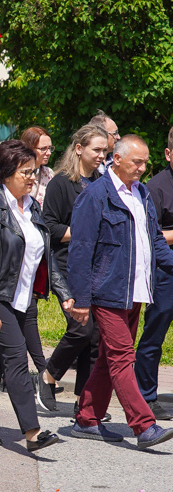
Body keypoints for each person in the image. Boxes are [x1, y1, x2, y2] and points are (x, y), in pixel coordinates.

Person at [0, 140, 70, 452]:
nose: (32, 178)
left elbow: (45, 256)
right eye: (26, 172)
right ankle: (33, 432)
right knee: (16, 360)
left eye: (34, 172)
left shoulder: (33, 206)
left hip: (24, 297)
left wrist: (64, 294)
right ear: (7, 173)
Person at [68, 135, 173, 450]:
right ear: (116, 159)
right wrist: (82, 299)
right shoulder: (95, 196)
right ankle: (143, 425)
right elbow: (80, 250)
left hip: (135, 291)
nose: (142, 168)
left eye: (145, 162)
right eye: (136, 162)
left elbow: (154, 242)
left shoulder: (140, 193)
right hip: (107, 291)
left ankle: (87, 418)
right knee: (122, 357)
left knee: (107, 359)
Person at [41, 125, 107, 413]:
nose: (102, 156)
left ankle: (85, 402)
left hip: (97, 267)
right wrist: (83, 232)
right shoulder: (61, 183)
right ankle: (48, 375)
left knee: (94, 338)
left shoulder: (102, 184)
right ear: (79, 148)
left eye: (105, 150)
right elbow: (49, 227)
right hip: (67, 264)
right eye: (97, 150)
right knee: (81, 329)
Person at [134, 128, 173, 421]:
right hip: (164, 272)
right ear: (169, 154)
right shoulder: (155, 187)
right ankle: (146, 395)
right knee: (154, 336)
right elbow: (149, 233)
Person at [21, 126, 55, 207]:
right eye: (43, 149)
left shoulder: (49, 173)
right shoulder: (17, 175)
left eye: (50, 148)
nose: (49, 153)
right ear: (29, 148)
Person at [89, 110, 120, 174]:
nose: (118, 137)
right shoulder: (88, 165)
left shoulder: (114, 162)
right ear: (101, 134)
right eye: (115, 133)